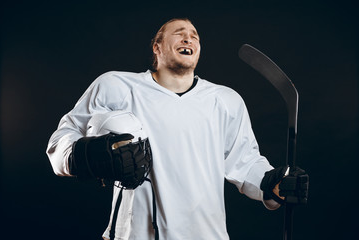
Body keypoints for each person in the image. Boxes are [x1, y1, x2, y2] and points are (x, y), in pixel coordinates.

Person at [46, 18, 308, 240]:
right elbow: (60, 143)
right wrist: (88, 155)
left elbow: (244, 161)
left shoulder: (226, 100)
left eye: (194, 36)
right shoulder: (116, 86)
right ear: (157, 47)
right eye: (179, 34)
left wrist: (274, 184)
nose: (188, 39)